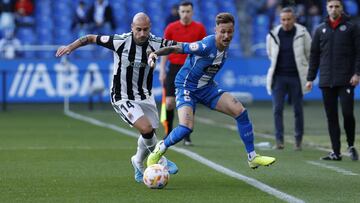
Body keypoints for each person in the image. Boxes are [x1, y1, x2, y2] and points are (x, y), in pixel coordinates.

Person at [55, 12, 179, 183]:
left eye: (145, 30)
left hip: (145, 96)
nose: (142, 34)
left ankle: (137, 161)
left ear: (150, 28)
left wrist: (202, 48)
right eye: (138, 30)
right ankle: (160, 160)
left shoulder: (156, 43)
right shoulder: (120, 41)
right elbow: (90, 37)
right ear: (132, 28)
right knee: (146, 129)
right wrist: (70, 46)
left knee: (149, 133)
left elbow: (178, 46)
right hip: (122, 96)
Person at [147, 13, 276, 169]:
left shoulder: (226, 47)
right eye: (223, 31)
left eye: (230, 32)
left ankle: (252, 157)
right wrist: (155, 53)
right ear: (216, 30)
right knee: (185, 127)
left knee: (240, 111)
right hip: (186, 86)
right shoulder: (206, 45)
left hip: (207, 87)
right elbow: (178, 47)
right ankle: (160, 149)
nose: (226, 35)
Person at [306, 0, 360, 161]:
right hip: (326, 80)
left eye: (337, 6)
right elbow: (314, 55)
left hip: (346, 79)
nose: (333, 9)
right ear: (326, 8)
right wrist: (310, 78)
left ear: (342, 8)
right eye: (330, 6)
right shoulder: (320, 29)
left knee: (347, 113)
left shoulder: (351, 27)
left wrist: (357, 73)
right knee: (331, 116)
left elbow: (359, 53)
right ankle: (336, 152)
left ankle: (350, 145)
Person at [159, 1, 206, 145]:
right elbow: (165, 50)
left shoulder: (199, 28)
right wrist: (162, 70)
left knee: (189, 102)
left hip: (191, 69)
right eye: (183, 11)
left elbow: (203, 50)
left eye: (188, 11)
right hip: (173, 68)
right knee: (169, 103)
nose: (185, 14)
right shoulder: (171, 28)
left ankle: (186, 135)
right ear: (178, 12)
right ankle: (168, 132)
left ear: (192, 12)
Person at [266, 7, 312, 151]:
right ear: (280, 20)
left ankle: (298, 141)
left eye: (289, 19)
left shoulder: (303, 33)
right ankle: (279, 141)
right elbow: (270, 54)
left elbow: (309, 53)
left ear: (294, 19)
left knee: (298, 110)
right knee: (277, 109)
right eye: (283, 19)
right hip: (279, 78)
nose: (286, 22)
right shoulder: (273, 34)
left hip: (296, 78)